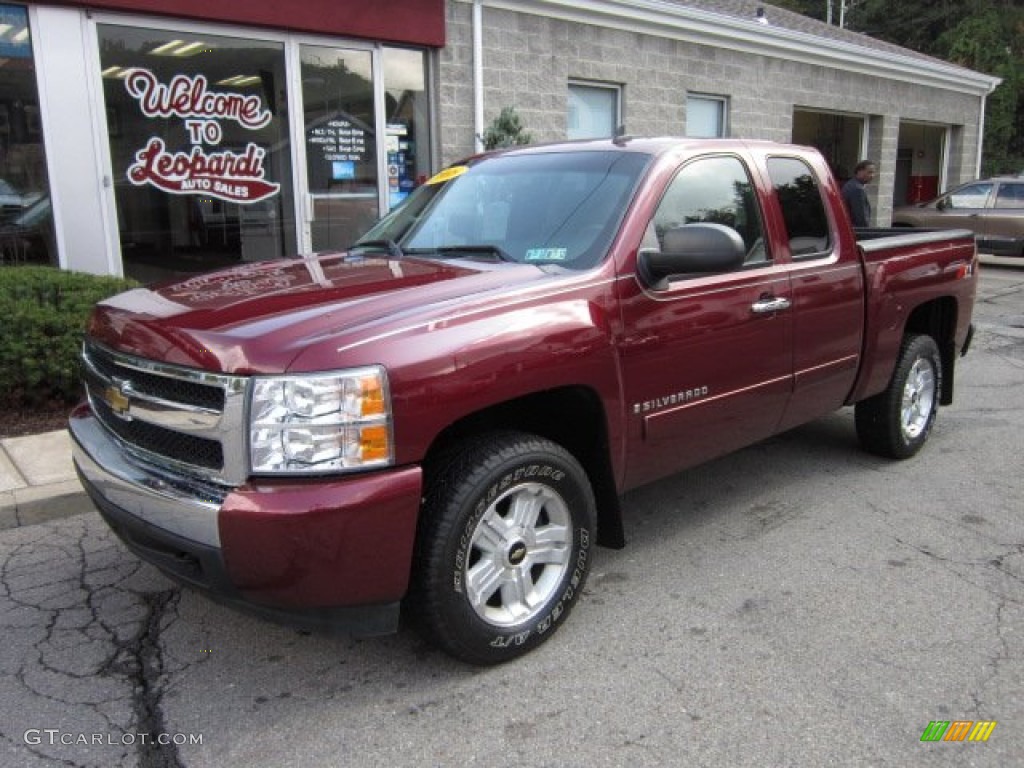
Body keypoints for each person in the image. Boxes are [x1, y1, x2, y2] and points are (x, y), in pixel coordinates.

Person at [842, 160, 876, 228]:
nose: (872, 176)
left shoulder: (851, 184)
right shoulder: (857, 189)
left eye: (873, 173)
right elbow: (861, 218)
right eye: (869, 172)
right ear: (859, 172)